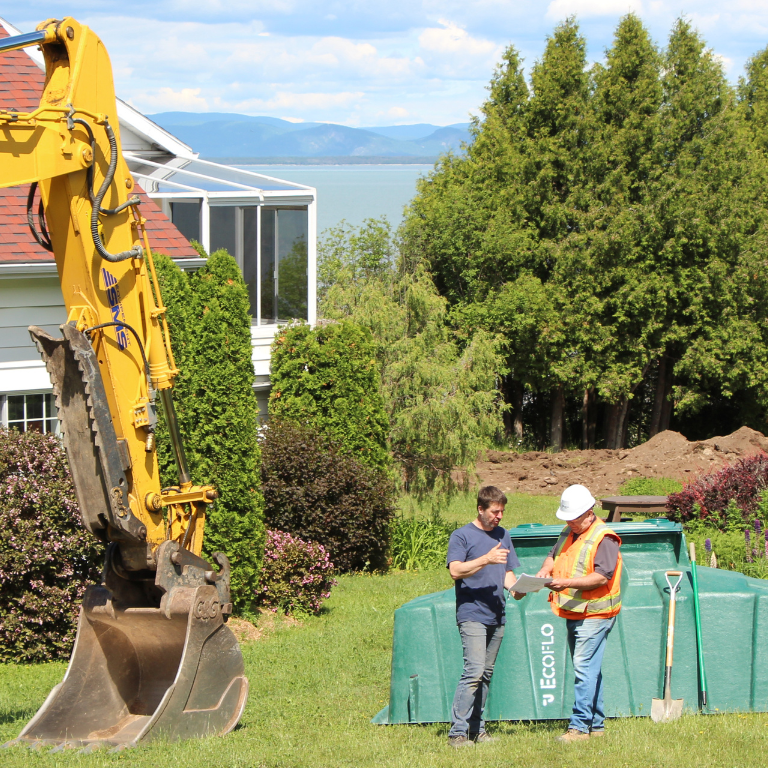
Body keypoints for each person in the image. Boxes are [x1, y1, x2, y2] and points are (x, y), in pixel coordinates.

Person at [536, 484, 622, 743]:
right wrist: (544, 571)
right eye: (567, 519)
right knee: (590, 669)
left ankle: (579, 727)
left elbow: (600, 576)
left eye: (573, 518)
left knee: (584, 668)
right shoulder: (569, 530)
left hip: (596, 614)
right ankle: (596, 725)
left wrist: (567, 583)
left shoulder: (604, 537)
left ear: (589, 512)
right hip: (575, 612)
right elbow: (553, 556)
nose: (570, 523)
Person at [445, 485, 524, 748]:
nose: (499, 516)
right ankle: (458, 733)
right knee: (474, 671)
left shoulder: (504, 535)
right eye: (494, 511)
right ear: (480, 509)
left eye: (502, 511)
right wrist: (486, 558)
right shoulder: (461, 536)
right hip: (472, 614)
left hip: (497, 614)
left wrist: (517, 589)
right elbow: (456, 571)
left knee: (486, 674)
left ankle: (477, 730)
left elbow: (508, 574)